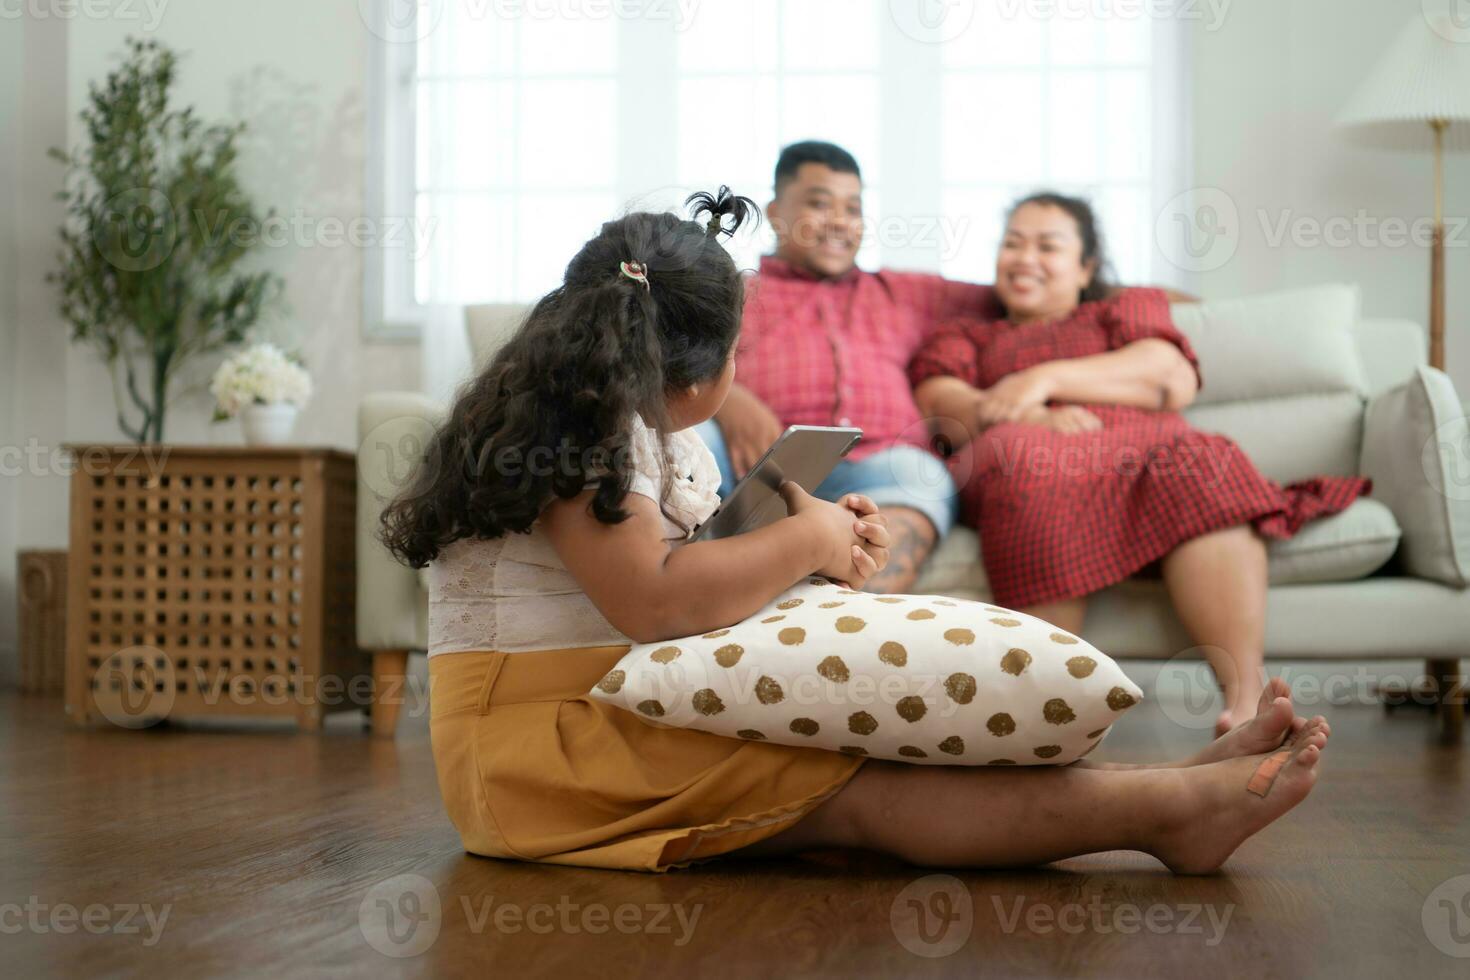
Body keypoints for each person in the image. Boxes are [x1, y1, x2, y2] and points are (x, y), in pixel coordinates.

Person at [381, 188, 1328, 875]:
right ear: (697, 370)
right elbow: (654, 600)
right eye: (740, 353)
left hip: (599, 707)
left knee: (855, 766)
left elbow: (679, 579)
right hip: (537, 755)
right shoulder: (580, 432)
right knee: (856, 790)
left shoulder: (609, 417)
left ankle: (1164, 794)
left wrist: (807, 547)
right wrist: (805, 543)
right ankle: (1165, 811)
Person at [911, 192, 1370, 735]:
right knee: (1032, 463)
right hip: (1033, 455)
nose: (1024, 257)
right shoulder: (968, 334)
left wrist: (1043, 379)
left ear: (1085, 267)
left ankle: (1247, 705)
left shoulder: (1125, 307)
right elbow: (940, 400)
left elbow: (1167, 377)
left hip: (1148, 452)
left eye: (1047, 245)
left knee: (1203, 463)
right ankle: (1047, 713)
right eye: (1012, 243)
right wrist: (1019, 412)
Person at [697, 141, 1000, 593]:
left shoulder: (905, 293)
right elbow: (656, 356)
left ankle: (847, 617)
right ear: (776, 213)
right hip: (759, 467)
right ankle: (694, 581)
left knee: (920, 474)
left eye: (853, 208)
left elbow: (1021, 298)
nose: (840, 221)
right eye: (819, 204)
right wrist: (728, 402)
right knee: (690, 435)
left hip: (876, 465)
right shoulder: (731, 292)